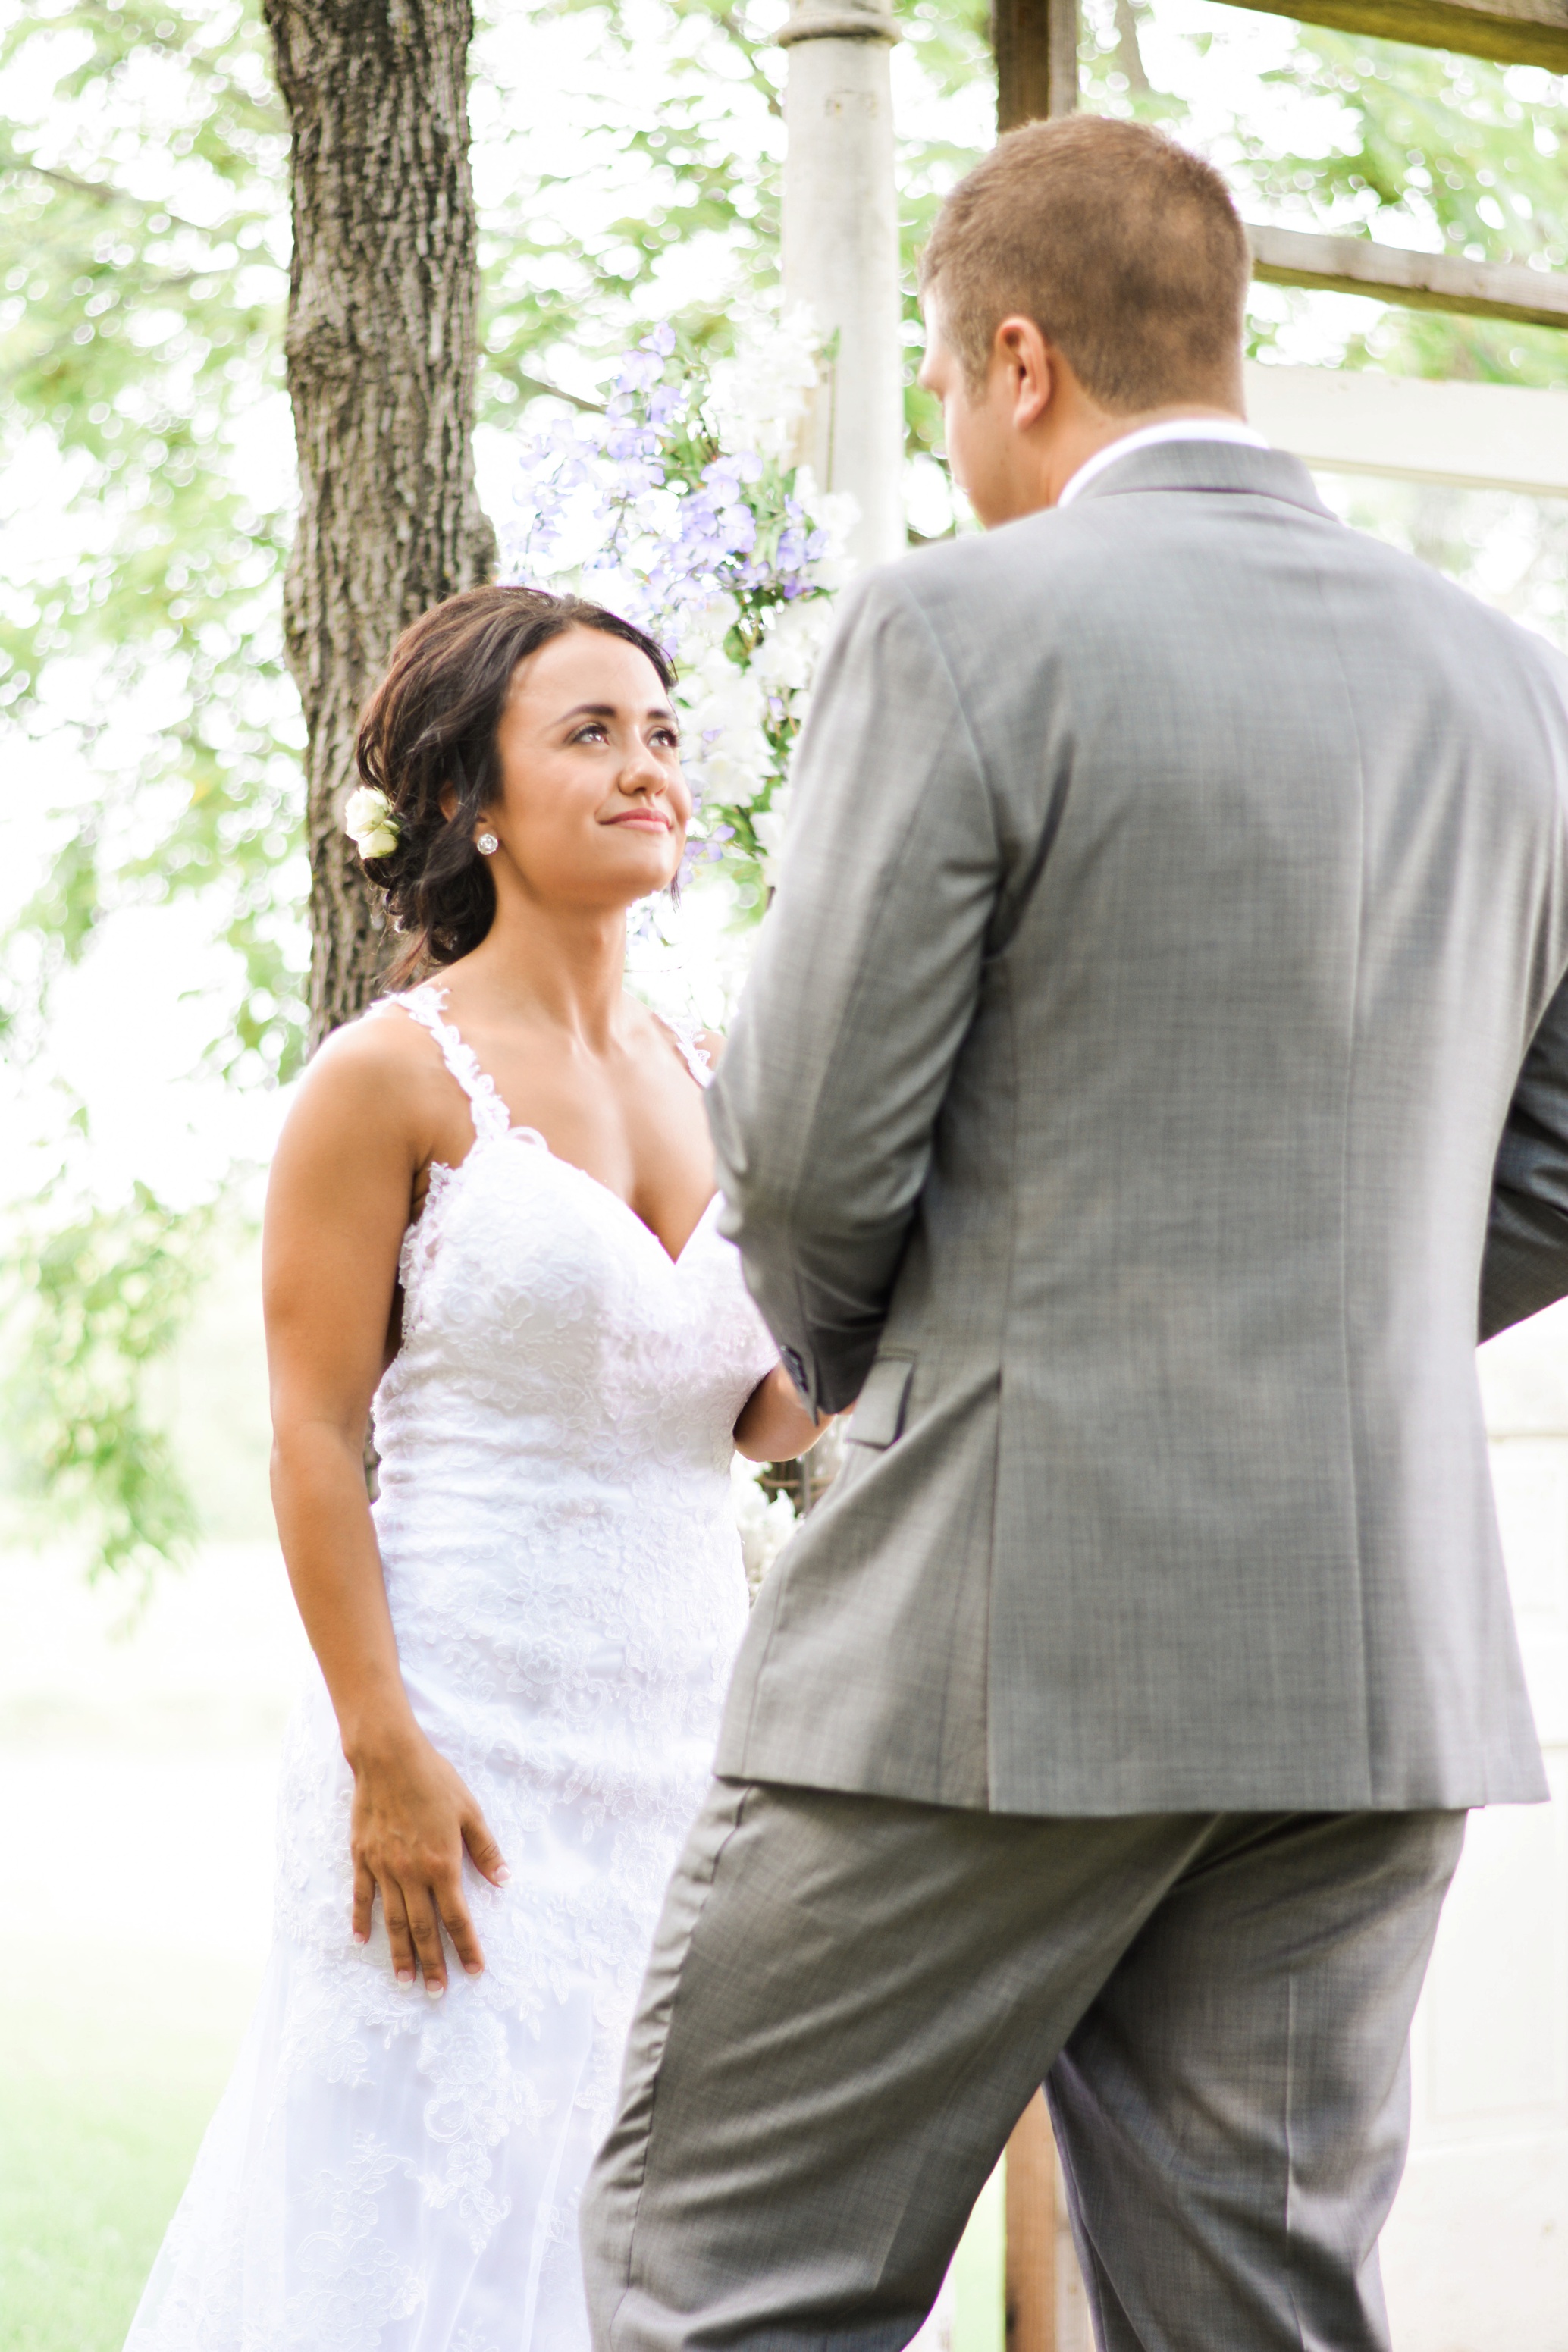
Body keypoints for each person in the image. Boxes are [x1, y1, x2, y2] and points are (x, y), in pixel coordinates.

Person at [580, 115, 1568, 2352]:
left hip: (990, 1631)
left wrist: (882, 1381)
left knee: (721, 2270)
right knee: (1256, 2314)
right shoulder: (1514, 682)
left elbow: (815, 1159)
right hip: (1364, 1658)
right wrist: (1361, 1327)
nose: (948, 438)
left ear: (1013, 359)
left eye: (941, 388)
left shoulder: (950, 628)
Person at [126, 585, 820, 2352]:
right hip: (453, 1738)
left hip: (684, 1737)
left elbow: (756, 1419)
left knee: (650, 2216)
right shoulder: (382, 1082)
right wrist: (381, 1754)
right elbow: (307, 1436)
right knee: (422, 2212)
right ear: (471, 800)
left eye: (659, 731)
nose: (644, 765)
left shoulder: (724, 1075)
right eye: (587, 732)